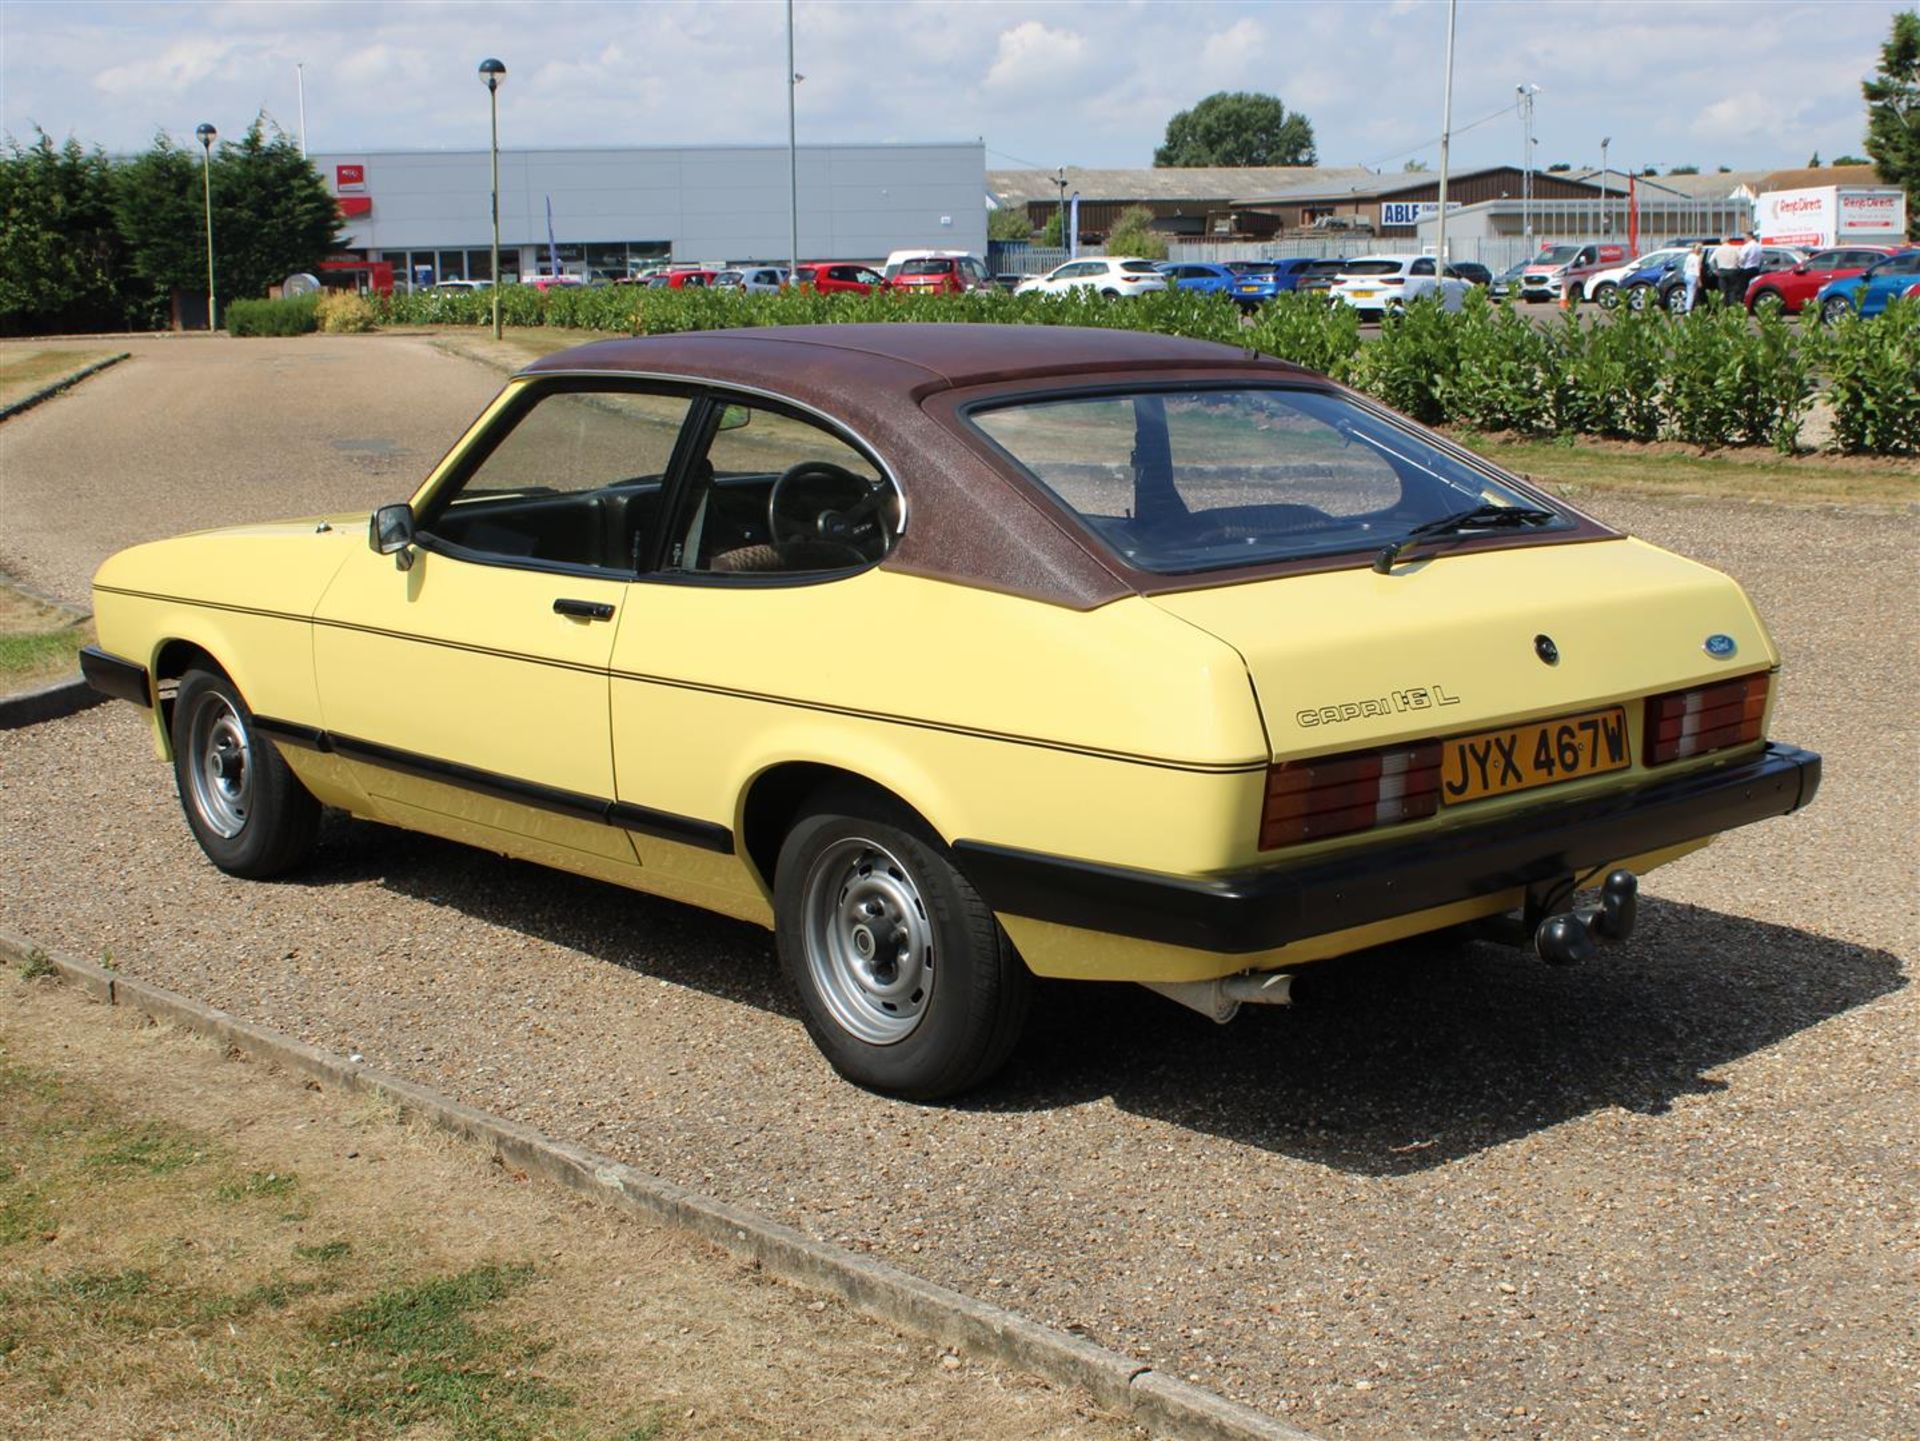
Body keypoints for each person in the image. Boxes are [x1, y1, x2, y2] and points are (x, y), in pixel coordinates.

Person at [1734, 231, 1763, 310]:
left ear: (1749, 237)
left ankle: (1743, 305)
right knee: (1753, 287)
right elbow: (1761, 259)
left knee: (1743, 288)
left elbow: (1742, 258)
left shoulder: (1747, 246)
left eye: (1745, 237)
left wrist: (1739, 265)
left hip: (1746, 269)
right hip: (1756, 269)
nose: (1744, 239)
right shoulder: (1759, 246)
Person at [1711, 235, 1743, 308]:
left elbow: (1711, 261)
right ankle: (1732, 308)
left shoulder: (1718, 249)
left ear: (1721, 241)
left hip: (1722, 271)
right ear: (1729, 241)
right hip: (1733, 271)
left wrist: (1715, 270)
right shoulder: (1735, 249)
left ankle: (1723, 309)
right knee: (1733, 291)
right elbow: (1742, 258)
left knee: (1723, 291)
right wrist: (1738, 266)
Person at [1682, 242, 1705, 313]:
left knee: (1689, 292)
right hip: (1693, 276)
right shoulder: (1696, 258)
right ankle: (1688, 310)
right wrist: (1699, 280)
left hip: (1687, 275)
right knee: (1691, 294)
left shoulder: (1689, 256)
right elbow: (1696, 270)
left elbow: (1684, 268)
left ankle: (1688, 308)